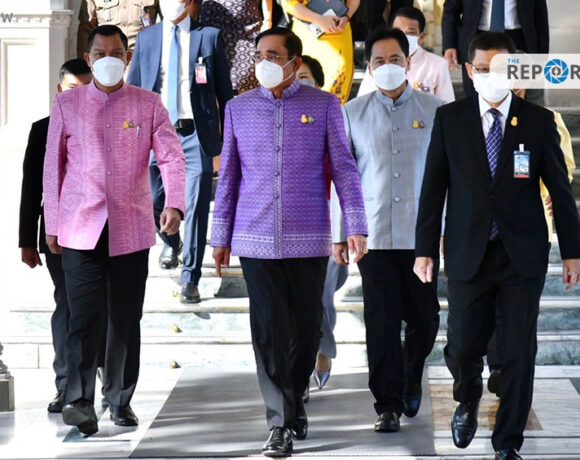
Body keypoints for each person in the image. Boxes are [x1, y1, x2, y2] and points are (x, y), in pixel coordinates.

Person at [414, 32, 580, 460]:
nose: (491, 76)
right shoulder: (450, 119)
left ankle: (508, 443)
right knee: (463, 346)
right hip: (468, 250)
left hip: (522, 254)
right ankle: (467, 397)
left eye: (501, 68)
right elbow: (433, 189)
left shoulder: (538, 120)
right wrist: (424, 249)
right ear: (470, 71)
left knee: (517, 350)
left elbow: (561, 191)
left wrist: (572, 252)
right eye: (483, 68)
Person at [210, 27, 368, 457]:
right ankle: (279, 422)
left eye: (273, 55)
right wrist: (220, 236)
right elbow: (229, 177)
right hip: (254, 237)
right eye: (260, 54)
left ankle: (294, 399)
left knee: (306, 328)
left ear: (295, 63)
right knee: (268, 330)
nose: (264, 61)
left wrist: (355, 225)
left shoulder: (324, 105)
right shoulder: (239, 108)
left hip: (309, 237)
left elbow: (344, 169)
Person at [44, 25, 185, 435]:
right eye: (100, 52)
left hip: (130, 227)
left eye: (116, 52)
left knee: (125, 317)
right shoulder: (66, 104)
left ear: (127, 57)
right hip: (79, 226)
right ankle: (79, 400)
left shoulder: (148, 103)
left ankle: (120, 399)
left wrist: (174, 203)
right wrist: (52, 223)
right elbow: (53, 166)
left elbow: (171, 157)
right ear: (89, 59)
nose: (108, 58)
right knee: (83, 317)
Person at [332, 27, 443, 433]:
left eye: (394, 59)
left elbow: (449, 176)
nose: (387, 66)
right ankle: (387, 404)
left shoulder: (437, 111)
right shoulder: (351, 113)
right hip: (372, 236)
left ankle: (411, 374)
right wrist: (340, 232)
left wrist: (445, 229)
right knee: (381, 322)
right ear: (369, 66)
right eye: (379, 60)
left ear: (408, 62)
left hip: (421, 237)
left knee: (426, 319)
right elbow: (342, 178)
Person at [127, 0, 233, 303]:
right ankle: (171, 240)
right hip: (155, 132)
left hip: (195, 132)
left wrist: (229, 139)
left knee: (196, 206)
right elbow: (133, 89)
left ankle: (190, 277)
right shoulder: (147, 37)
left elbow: (224, 92)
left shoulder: (208, 36)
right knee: (152, 198)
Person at [486, 86, 576, 397]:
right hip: (486, 230)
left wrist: (549, 190)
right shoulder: (474, 119)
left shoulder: (548, 119)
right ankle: (498, 366)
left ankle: (514, 374)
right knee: (490, 307)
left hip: (529, 227)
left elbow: (564, 167)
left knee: (521, 312)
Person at [18, 59, 93, 414]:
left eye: (87, 87)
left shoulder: (107, 123)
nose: (81, 95)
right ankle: (65, 385)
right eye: (73, 88)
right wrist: (25, 240)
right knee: (67, 304)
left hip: (100, 233)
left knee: (101, 308)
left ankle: (101, 383)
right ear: (60, 90)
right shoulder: (43, 129)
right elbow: (32, 187)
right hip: (58, 236)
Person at [442, 0, 549, 97]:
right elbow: (451, 10)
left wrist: (542, 55)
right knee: (476, 95)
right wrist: (449, 45)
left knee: (519, 95)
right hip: (477, 40)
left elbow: (540, 16)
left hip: (518, 40)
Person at [358, 6, 455, 103]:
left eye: (411, 33)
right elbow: (362, 103)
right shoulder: (379, 62)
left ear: (421, 37)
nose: (403, 37)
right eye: (398, 32)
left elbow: (447, 105)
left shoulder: (438, 65)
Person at [281, 0, 360, 104]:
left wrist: (346, 16)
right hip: (307, 28)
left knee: (339, 75)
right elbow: (288, 3)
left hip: (339, 28)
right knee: (306, 75)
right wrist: (319, 19)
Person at [200, 0, 273, 94]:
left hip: (246, 32)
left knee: (244, 82)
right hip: (210, 31)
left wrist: (267, 20)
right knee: (205, 81)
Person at [77, 0, 159, 55]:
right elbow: (86, 29)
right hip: (107, 58)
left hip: (142, 57)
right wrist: (85, 67)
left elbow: (164, 24)